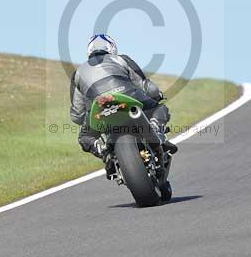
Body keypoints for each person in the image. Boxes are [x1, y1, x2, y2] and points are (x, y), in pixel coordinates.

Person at [69, 33, 177, 173]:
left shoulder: (77, 73)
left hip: (99, 108)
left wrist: (88, 118)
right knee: (160, 108)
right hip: (128, 96)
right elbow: (146, 86)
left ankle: (103, 150)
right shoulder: (122, 59)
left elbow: (77, 114)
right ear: (112, 48)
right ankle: (156, 130)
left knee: (85, 137)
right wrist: (157, 95)